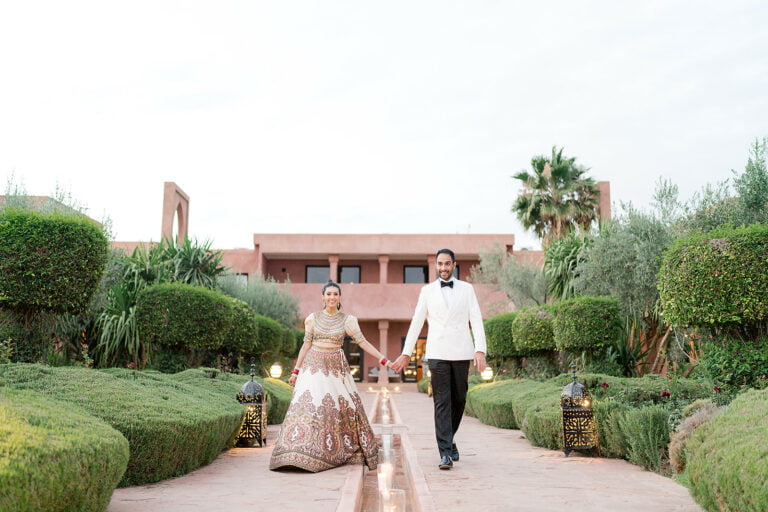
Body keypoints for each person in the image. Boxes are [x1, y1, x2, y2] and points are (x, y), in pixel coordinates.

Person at [269, 280, 392, 472]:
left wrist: (383, 360)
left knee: (337, 408)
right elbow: (306, 345)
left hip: (335, 367)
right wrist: (296, 370)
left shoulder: (347, 320)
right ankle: (296, 452)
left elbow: (363, 342)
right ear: (323, 297)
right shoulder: (313, 318)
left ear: (340, 297)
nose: (332, 297)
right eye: (329, 294)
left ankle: (328, 450)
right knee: (308, 405)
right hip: (313, 365)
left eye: (335, 294)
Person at [391, 248, 487, 470]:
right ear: (435, 266)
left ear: (454, 265)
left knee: (460, 399)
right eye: (440, 264)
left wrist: (480, 349)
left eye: (447, 264)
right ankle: (445, 452)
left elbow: (477, 319)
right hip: (437, 353)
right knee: (442, 402)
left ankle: (449, 436)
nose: (443, 268)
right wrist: (406, 353)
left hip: (462, 351)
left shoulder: (467, 289)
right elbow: (416, 322)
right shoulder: (427, 291)